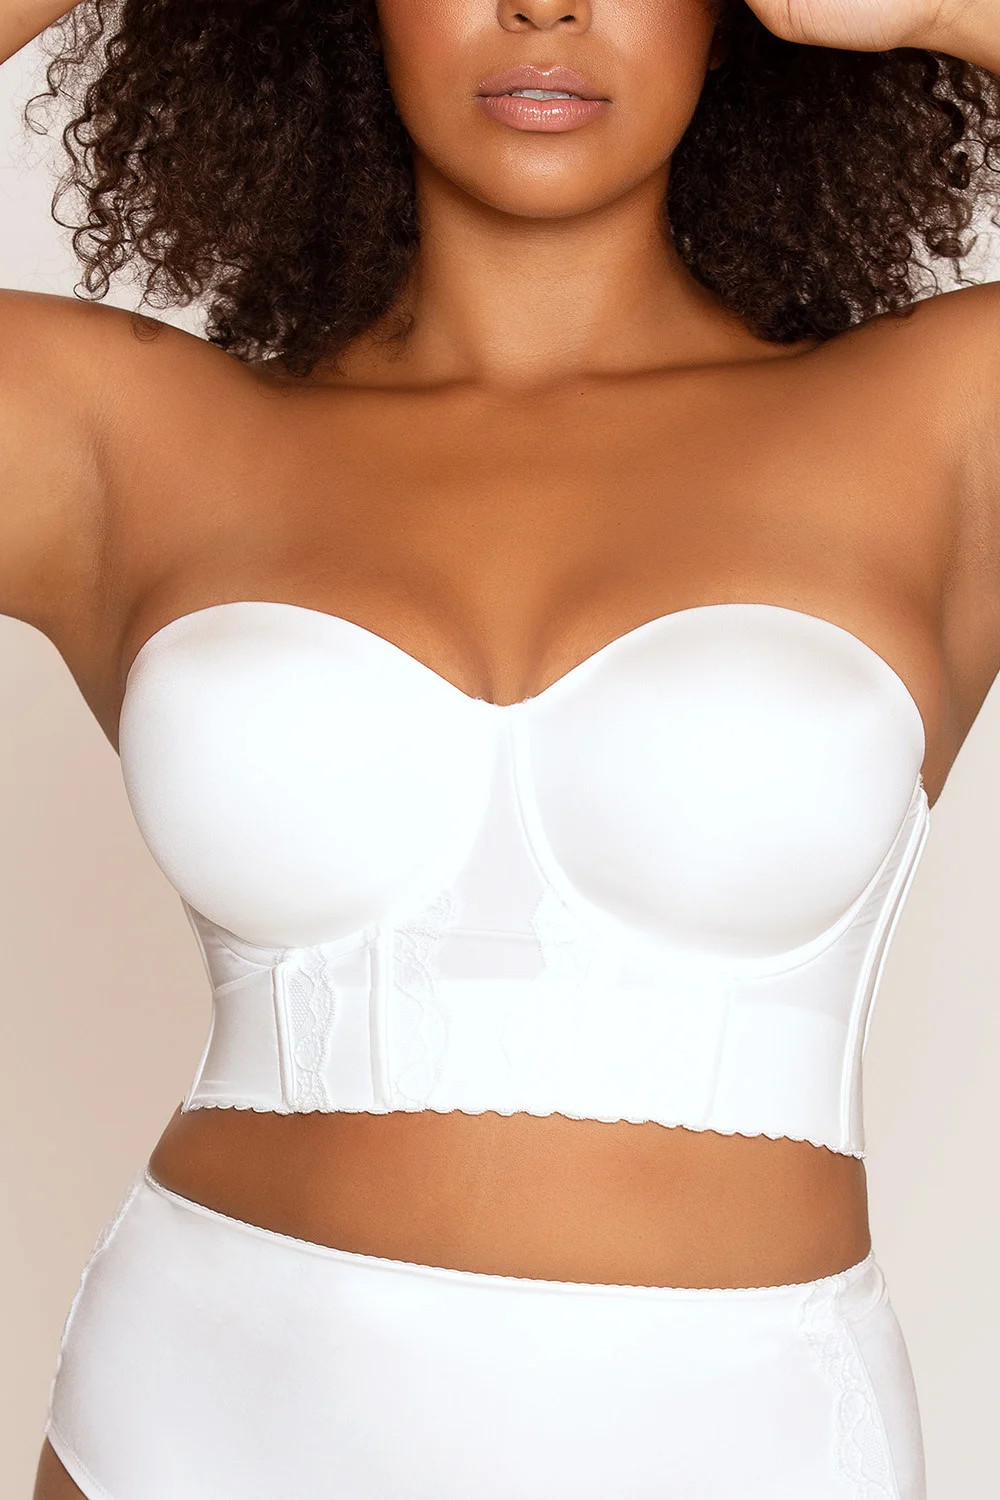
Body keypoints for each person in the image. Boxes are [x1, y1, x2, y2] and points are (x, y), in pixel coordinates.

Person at [5, 0, 1000, 1495]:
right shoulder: (130, 438)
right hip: (194, 1423)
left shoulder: (941, 423)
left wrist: (940, 10)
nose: (548, 6)